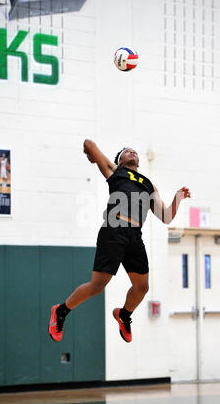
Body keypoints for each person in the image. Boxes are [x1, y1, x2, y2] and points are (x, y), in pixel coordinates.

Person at [49, 139, 191, 343]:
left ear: (139, 162)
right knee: (98, 286)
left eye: (134, 151)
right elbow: (89, 143)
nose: (132, 152)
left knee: (142, 288)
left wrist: (177, 199)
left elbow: (166, 216)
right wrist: (90, 155)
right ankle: (61, 311)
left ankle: (123, 315)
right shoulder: (115, 172)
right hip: (114, 230)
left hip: (134, 236)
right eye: (126, 151)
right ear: (120, 160)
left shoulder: (149, 185)